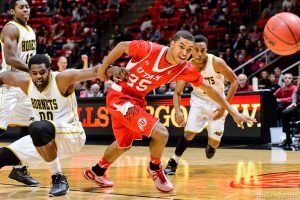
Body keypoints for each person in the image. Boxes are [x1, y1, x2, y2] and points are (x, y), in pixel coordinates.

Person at [84, 30, 256, 192]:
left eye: (189, 50)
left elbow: (211, 89)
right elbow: (122, 45)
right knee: (162, 134)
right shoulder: (150, 49)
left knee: (123, 145)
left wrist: (233, 112)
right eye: (181, 47)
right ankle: (155, 168)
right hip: (119, 97)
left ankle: (97, 171)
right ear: (172, 44)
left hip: (136, 101)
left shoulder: (185, 68)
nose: (185, 53)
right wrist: (104, 67)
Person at [0, 54, 110, 196]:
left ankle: (58, 178)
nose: (38, 76)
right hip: (43, 141)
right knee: (3, 155)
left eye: (42, 72)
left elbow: (94, 71)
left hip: (71, 136)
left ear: (49, 70)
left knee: (37, 126)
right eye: (34, 73)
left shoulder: (61, 79)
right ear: (29, 73)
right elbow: (3, 76)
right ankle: (21, 170)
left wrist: (112, 69)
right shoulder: (26, 82)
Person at [164, 34, 239, 175]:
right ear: (191, 50)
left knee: (214, 143)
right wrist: (178, 111)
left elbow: (235, 81)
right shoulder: (186, 66)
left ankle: (211, 146)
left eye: (203, 50)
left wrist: (224, 107)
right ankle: (173, 162)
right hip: (198, 101)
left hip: (218, 102)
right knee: (189, 133)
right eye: (196, 50)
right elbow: (177, 93)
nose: (199, 54)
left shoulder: (216, 62)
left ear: (207, 50)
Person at [0, 0, 38, 186]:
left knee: (30, 128)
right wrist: (34, 69)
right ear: (12, 11)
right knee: (0, 127)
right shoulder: (11, 29)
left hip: (25, 86)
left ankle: (19, 170)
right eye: (21, 7)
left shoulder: (30, 30)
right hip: (9, 84)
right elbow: (10, 58)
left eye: (27, 6)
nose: (25, 9)